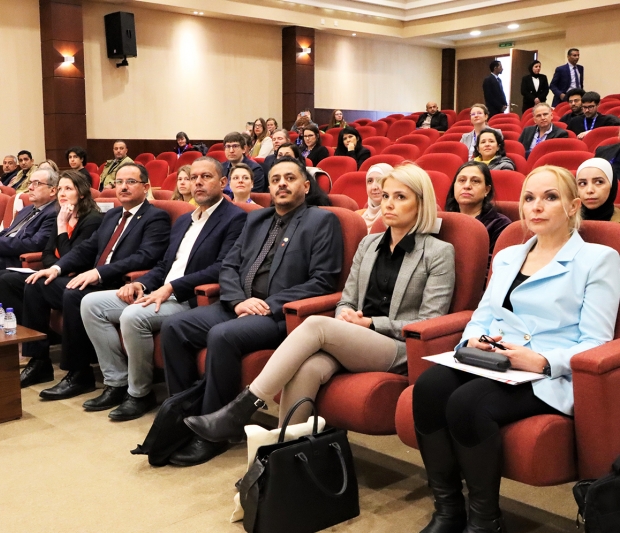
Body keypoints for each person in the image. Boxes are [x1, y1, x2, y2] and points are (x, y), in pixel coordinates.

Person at [183, 163, 455, 451]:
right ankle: (281, 457)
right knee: (307, 369)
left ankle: (242, 408)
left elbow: (430, 320)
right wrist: (345, 315)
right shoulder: (369, 244)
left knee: (315, 324)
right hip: (355, 338)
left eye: (400, 197)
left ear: (421, 203)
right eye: (386, 196)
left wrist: (371, 324)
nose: (388, 204)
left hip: (397, 347)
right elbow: (346, 298)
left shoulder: (438, 252)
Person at [411, 165, 620, 533]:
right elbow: (482, 315)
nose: (536, 206)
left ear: (573, 206)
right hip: (494, 359)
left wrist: (541, 361)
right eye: (529, 198)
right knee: (427, 389)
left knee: (467, 404)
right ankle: (448, 509)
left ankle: (485, 521)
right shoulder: (508, 255)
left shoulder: (598, 259)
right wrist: (472, 340)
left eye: (550, 197)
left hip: (548, 373)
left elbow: (596, 341)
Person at [159, 156, 343, 465]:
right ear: (268, 187)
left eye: (290, 178)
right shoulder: (256, 219)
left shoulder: (321, 221)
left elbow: (322, 281)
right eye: (275, 180)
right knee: (174, 327)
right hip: (239, 304)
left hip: (280, 315)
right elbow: (229, 265)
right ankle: (185, 416)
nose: (281, 184)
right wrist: (236, 301)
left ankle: (215, 433)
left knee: (222, 336)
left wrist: (269, 305)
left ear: (305, 186)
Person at [80, 158, 247, 420]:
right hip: (160, 290)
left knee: (133, 316)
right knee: (91, 304)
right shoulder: (185, 219)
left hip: (192, 298)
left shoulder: (235, 218)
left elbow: (222, 267)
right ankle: (116, 382)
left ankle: (139, 393)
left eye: (206, 177)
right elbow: (164, 264)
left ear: (223, 182)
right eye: (193, 177)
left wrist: (171, 287)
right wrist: (141, 283)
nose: (198, 182)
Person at [19, 163, 170, 400]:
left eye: (131, 182)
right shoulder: (112, 215)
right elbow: (87, 248)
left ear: (146, 186)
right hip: (95, 279)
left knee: (73, 295)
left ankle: (79, 373)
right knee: (37, 284)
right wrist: (56, 268)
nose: (123, 187)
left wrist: (99, 273)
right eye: (119, 182)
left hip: (118, 283)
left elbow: (145, 257)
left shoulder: (155, 217)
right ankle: (39, 361)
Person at [0, 170, 104, 324]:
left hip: (75, 275)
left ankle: (31, 335)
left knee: (18, 282)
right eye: (60, 189)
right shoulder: (61, 214)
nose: (62, 193)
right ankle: (4, 329)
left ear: (81, 194)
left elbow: (72, 257)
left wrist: (62, 226)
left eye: (68, 189)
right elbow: (47, 253)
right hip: (55, 270)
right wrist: (56, 267)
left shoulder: (91, 220)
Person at [445, 161, 511, 254]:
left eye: (475, 181)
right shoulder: (445, 221)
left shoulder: (500, 225)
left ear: (486, 190)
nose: (467, 186)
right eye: (462, 180)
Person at [577, 158, 620, 222]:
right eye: (583, 183)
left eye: (599, 182)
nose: (589, 190)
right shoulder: (565, 221)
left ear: (612, 185)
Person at [355, 163, 393, 233]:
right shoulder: (357, 215)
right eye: (370, 181)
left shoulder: (394, 217)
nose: (374, 187)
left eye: (380, 180)